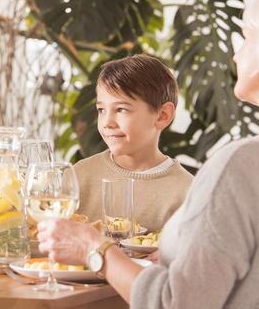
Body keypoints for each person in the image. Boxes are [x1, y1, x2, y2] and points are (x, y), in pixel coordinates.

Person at [37, 0, 259, 307]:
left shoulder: (244, 167)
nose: (236, 53)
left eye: (247, 39)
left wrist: (95, 250)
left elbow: (174, 304)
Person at [73, 54, 192, 233]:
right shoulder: (78, 177)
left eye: (121, 109)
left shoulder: (187, 193)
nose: (107, 122)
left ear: (162, 116)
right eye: (101, 110)